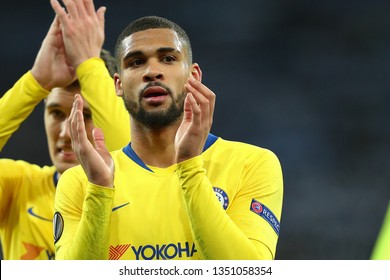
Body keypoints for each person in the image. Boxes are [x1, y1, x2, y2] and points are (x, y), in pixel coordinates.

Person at [52, 1, 284, 260]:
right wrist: (99, 191)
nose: (152, 72)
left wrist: (189, 166)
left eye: (168, 59)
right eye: (136, 62)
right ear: (118, 84)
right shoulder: (82, 181)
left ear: (193, 75)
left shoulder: (252, 164)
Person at [0, 1, 129, 259]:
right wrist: (36, 82)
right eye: (57, 113)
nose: (67, 133)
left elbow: (130, 149)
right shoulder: (18, 187)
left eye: (87, 115)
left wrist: (89, 66)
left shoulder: (143, 192)